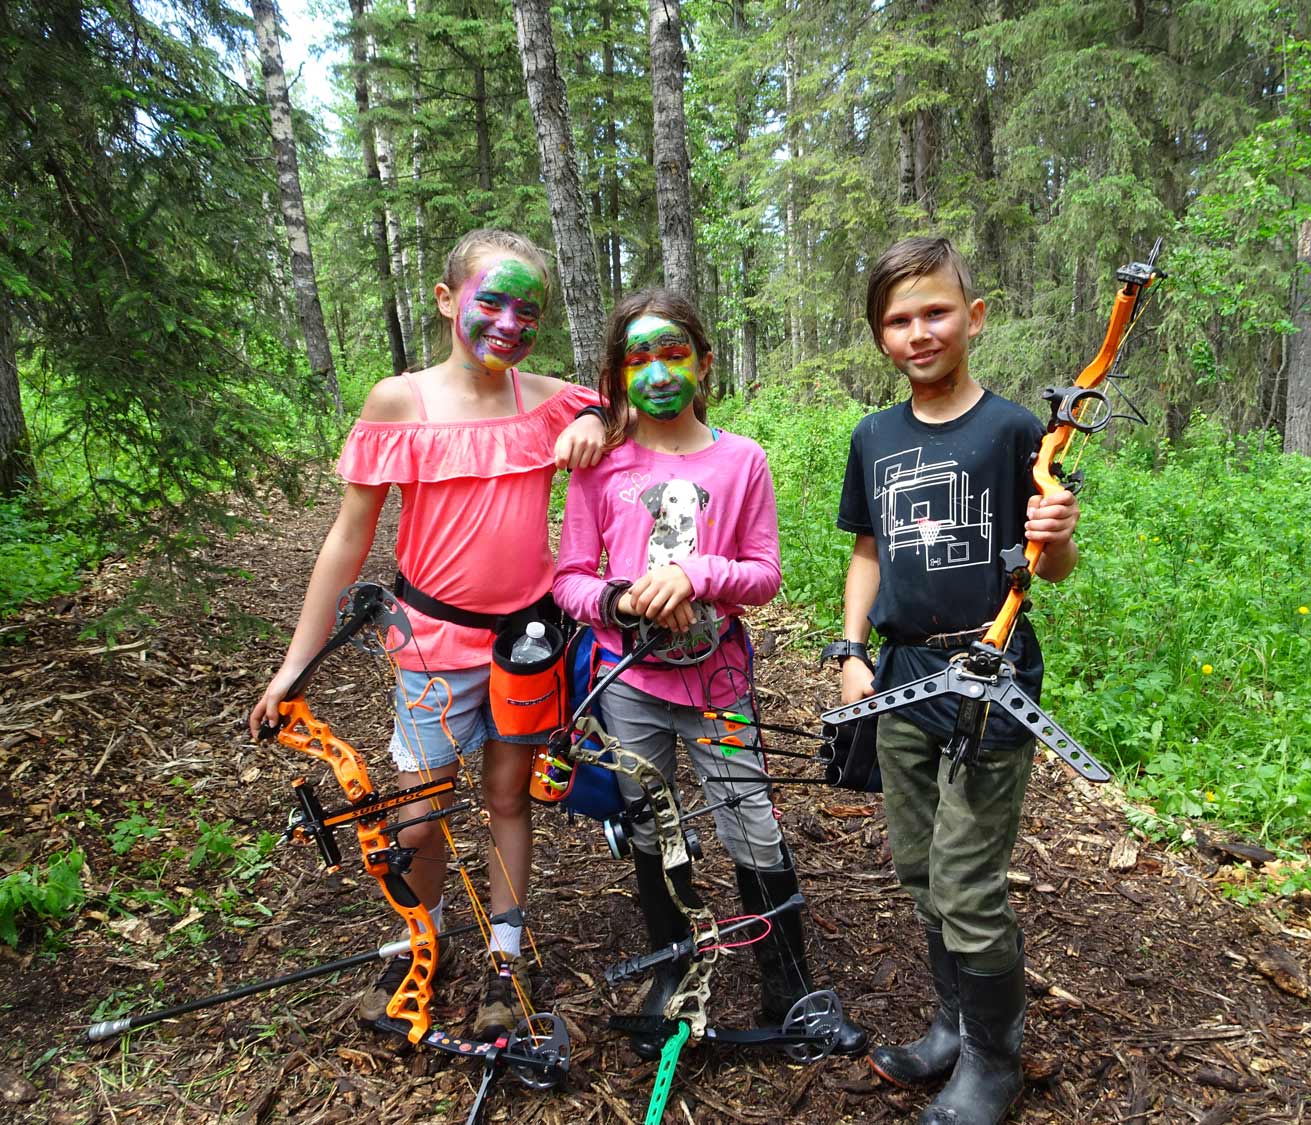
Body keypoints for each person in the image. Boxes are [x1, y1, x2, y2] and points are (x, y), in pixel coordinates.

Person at [248, 229, 607, 1041]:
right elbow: (348, 539)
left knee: (509, 796)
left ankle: (507, 953)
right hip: (430, 650)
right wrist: (294, 665)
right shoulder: (399, 402)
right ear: (447, 299)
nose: (510, 322)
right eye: (491, 300)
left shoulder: (548, 399)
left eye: (529, 308)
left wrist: (593, 418)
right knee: (420, 808)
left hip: (525, 648)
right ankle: (425, 934)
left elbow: (615, 407)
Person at [552, 289, 866, 1060]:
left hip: (717, 682)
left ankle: (787, 982)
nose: (657, 371)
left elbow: (763, 575)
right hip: (628, 688)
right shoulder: (602, 464)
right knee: (651, 822)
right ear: (618, 374)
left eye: (672, 353)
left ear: (703, 361)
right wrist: (622, 599)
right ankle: (673, 968)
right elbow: (568, 579)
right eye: (637, 358)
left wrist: (696, 573)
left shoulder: (741, 458)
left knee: (751, 821)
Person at [833, 236, 1080, 1125]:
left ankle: (991, 1063)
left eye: (934, 312)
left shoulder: (1016, 429)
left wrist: (1056, 528)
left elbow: (1049, 573)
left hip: (991, 673)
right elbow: (868, 550)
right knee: (917, 865)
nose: (918, 331)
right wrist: (852, 649)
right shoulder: (873, 435)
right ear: (880, 337)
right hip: (899, 671)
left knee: (968, 878)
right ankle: (950, 1024)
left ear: (973, 318)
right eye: (898, 320)